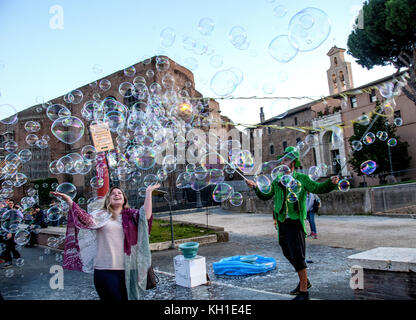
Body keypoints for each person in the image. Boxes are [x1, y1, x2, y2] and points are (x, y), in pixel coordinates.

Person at [245, 146, 339, 300]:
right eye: (282, 159)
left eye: (287, 159)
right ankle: (305, 281)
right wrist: (255, 187)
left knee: (298, 254)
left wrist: (330, 182)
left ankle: (304, 292)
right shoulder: (277, 180)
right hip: (282, 221)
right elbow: (266, 195)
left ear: (293, 162)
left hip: (295, 221)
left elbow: (318, 187)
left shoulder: (301, 179)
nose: (283, 161)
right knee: (287, 252)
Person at [50, 183, 160, 300]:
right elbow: (85, 219)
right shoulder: (99, 215)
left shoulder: (132, 215)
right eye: (113, 194)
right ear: (108, 199)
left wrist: (148, 192)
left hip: (129, 270)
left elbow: (146, 216)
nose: (116, 195)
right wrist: (69, 201)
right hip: (105, 271)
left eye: (119, 193)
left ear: (124, 199)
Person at [0, 199, 21, 268]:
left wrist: (10, 232)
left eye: (12, 203)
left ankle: (9, 262)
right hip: (4, 231)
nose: (10, 204)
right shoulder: (5, 211)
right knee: (11, 246)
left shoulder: (13, 212)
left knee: (7, 247)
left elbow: (13, 222)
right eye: (9, 203)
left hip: (10, 231)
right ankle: (17, 256)